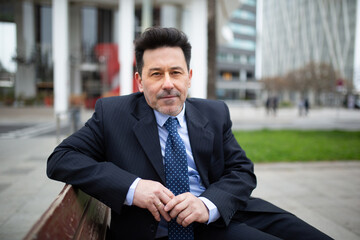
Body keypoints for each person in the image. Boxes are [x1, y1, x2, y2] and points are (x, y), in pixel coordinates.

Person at [47, 27, 332, 240]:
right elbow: (61, 158)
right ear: (140, 80)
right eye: (156, 74)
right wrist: (134, 188)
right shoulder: (113, 114)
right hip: (161, 229)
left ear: (189, 77)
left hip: (219, 210)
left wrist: (207, 204)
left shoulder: (213, 112)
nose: (168, 84)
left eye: (176, 72)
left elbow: (242, 171)